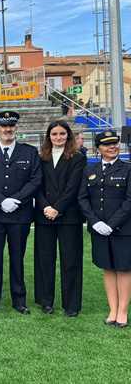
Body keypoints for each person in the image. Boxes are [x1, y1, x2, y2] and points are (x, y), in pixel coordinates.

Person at [0, 111, 42, 317]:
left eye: (11, 126)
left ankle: (19, 300)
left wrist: (16, 200)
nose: (7, 130)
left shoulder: (29, 152)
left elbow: (35, 179)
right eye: (3, 127)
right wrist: (1, 201)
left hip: (19, 215)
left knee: (17, 258)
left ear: (16, 128)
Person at [78, 130, 131, 328]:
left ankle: (123, 312)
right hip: (99, 229)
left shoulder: (127, 169)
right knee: (107, 268)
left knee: (124, 269)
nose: (112, 147)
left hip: (123, 229)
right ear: (98, 148)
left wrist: (112, 224)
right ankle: (113, 310)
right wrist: (94, 222)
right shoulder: (90, 170)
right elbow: (82, 198)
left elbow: (129, 201)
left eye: (115, 143)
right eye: (107, 144)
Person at [34, 120, 86, 317]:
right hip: (44, 215)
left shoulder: (77, 158)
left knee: (70, 261)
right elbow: (36, 186)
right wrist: (46, 206)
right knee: (44, 260)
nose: (58, 137)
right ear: (49, 137)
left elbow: (73, 188)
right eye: (54, 134)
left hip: (69, 216)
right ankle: (45, 301)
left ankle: (71, 305)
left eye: (62, 134)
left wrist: (57, 208)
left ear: (68, 136)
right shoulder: (41, 158)